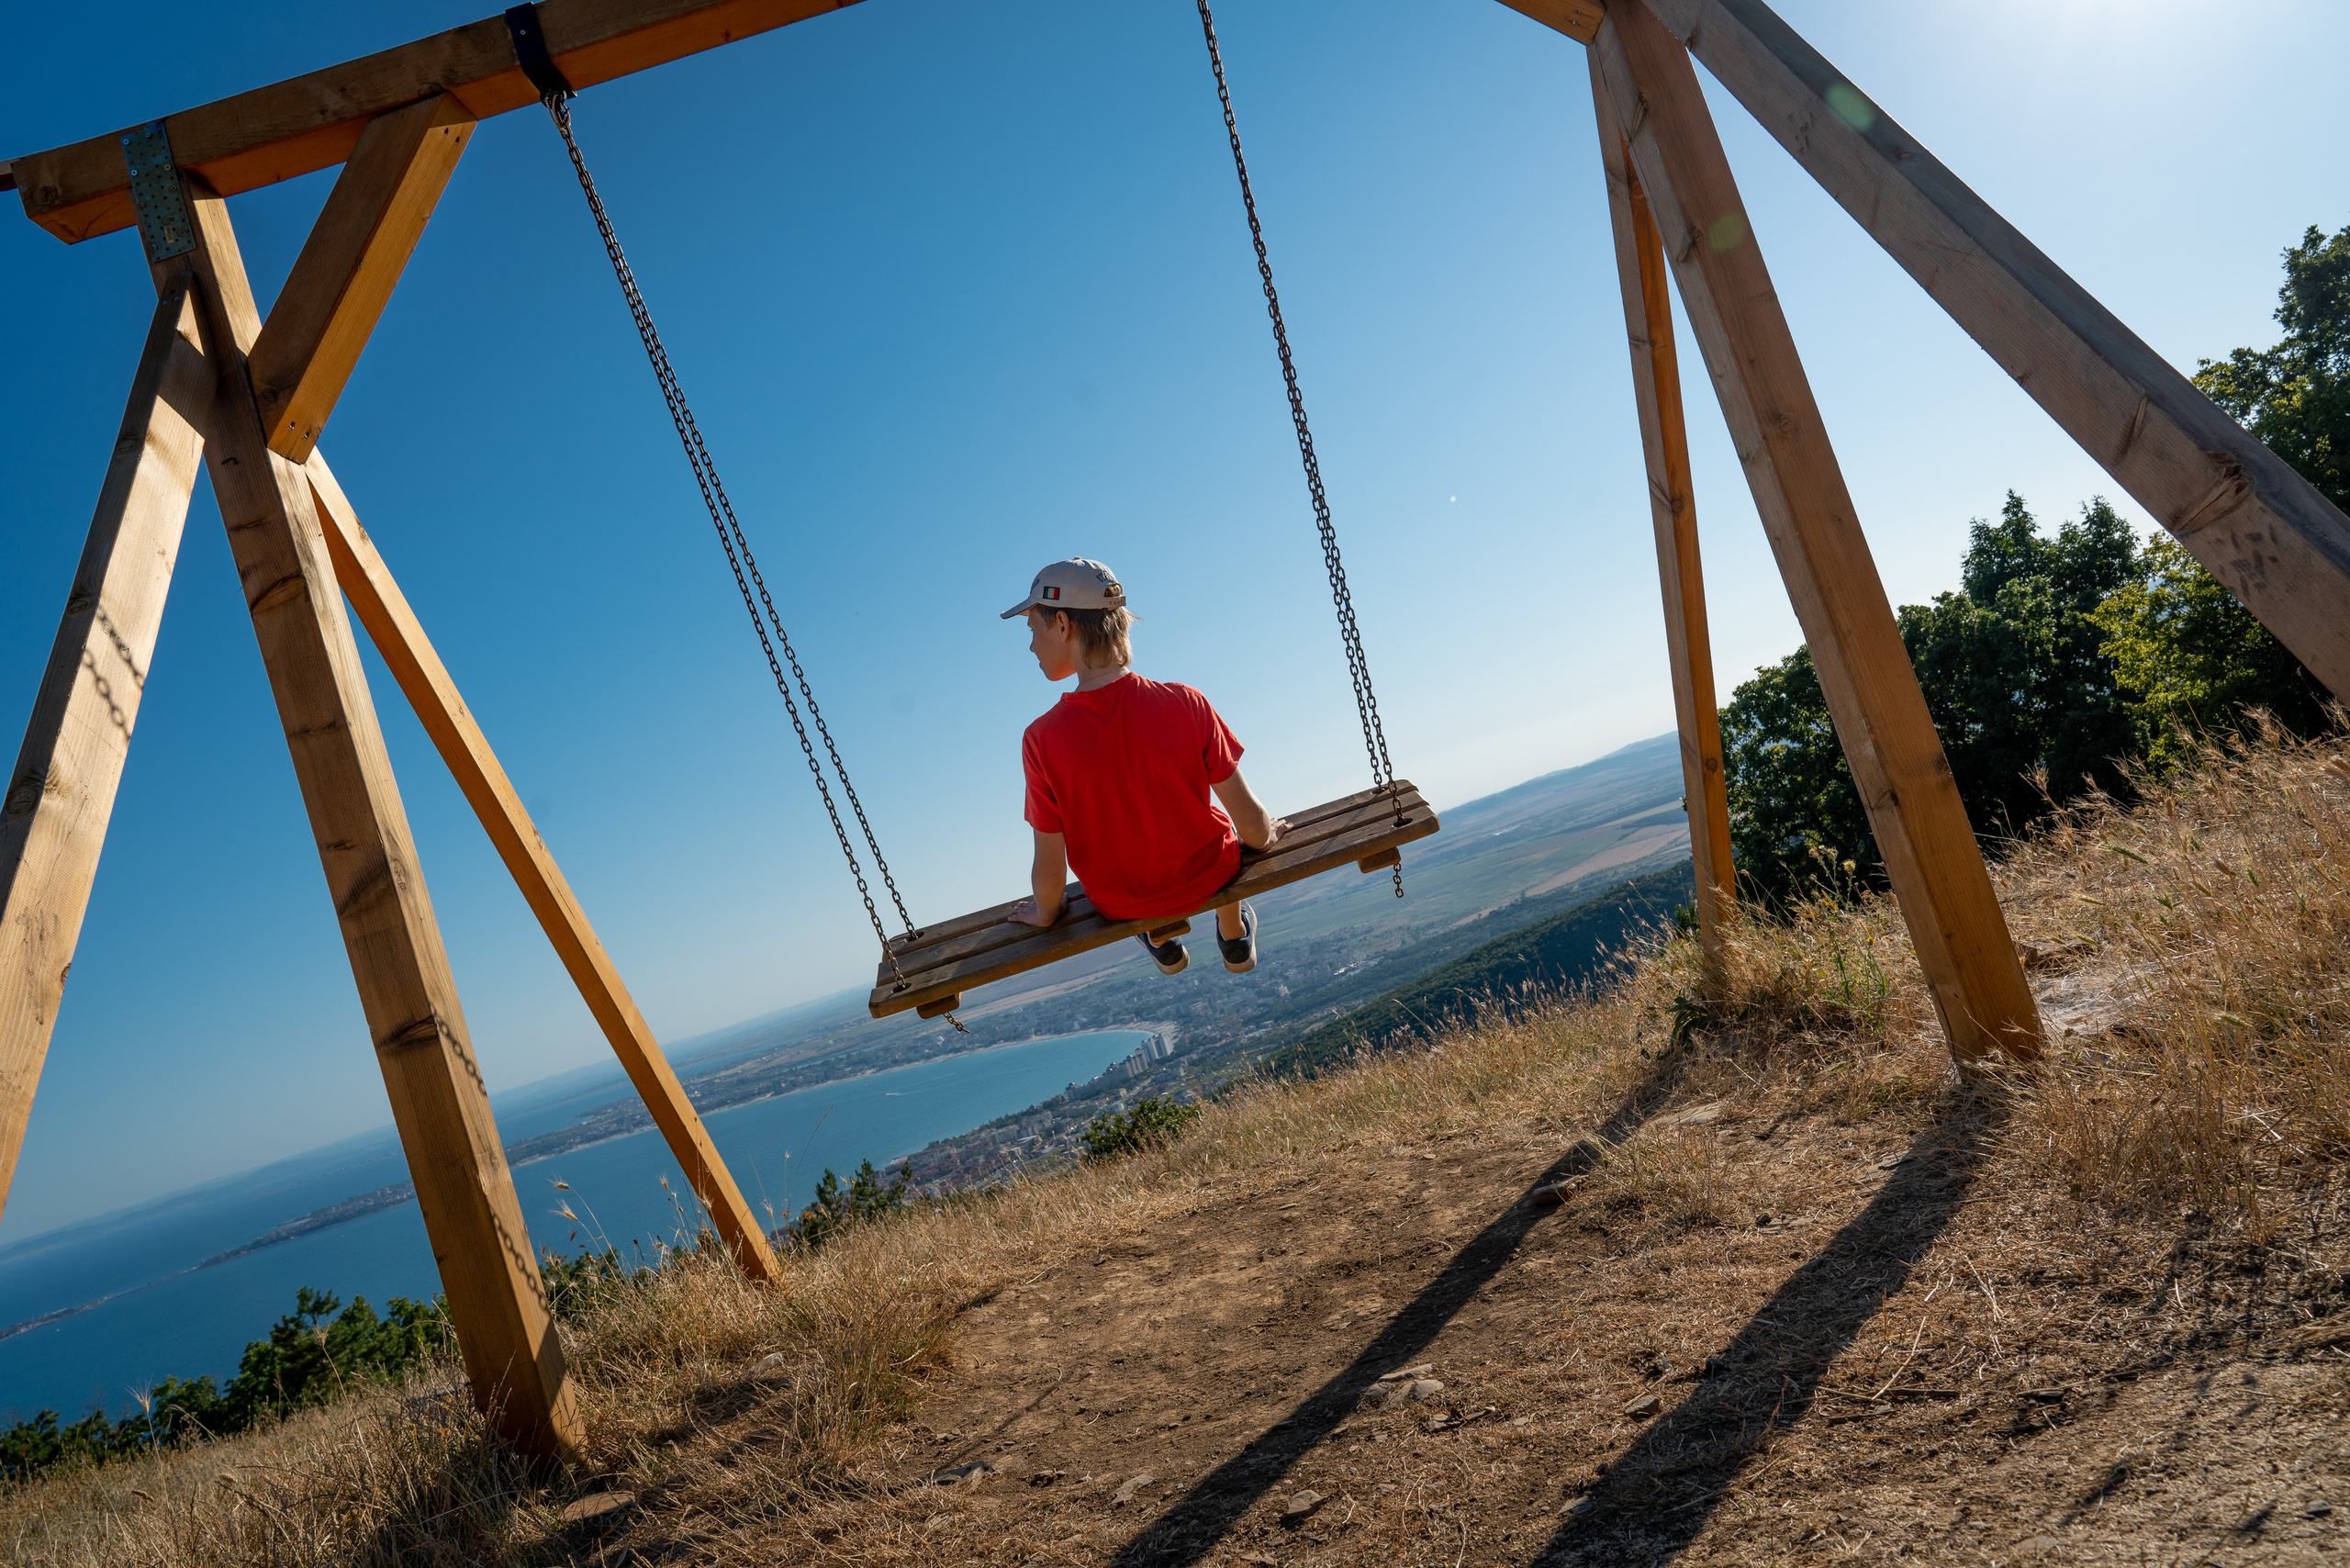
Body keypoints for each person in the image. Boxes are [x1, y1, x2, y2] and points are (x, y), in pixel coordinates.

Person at [1001, 558, 1286, 976]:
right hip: (1208, 875)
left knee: (1128, 846)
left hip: (1121, 902)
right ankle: (1233, 931)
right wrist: (1266, 834)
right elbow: (1253, 827)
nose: (1030, 646)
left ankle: (1157, 938)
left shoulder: (1041, 739)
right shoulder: (1185, 702)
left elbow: (1049, 867)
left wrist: (1045, 913)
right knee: (1215, 831)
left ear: (1062, 624)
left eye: (1033, 629)